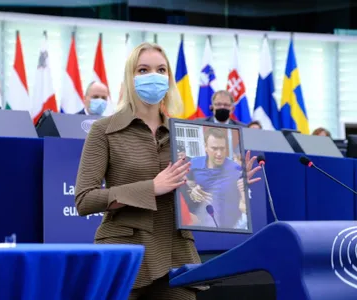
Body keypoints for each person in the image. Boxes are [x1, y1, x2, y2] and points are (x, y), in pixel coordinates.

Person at [75, 42, 260, 299]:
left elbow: (196, 201)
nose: (154, 76)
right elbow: (84, 199)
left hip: (176, 254)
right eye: (143, 70)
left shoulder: (187, 133)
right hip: (125, 253)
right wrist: (151, 188)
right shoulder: (103, 130)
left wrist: (230, 185)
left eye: (161, 70)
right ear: (130, 78)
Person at [187, 127, 261, 229]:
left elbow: (247, 196)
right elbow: (187, 186)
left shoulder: (236, 169)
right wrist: (192, 190)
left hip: (227, 227)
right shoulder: (193, 164)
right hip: (199, 226)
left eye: (222, 148)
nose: (219, 154)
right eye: (214, 148)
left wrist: (246, 182)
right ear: (205, 147)